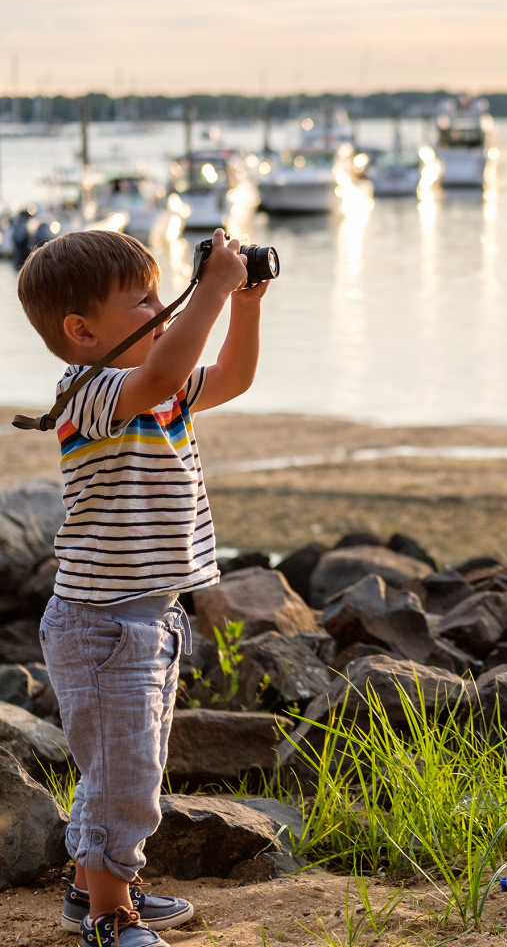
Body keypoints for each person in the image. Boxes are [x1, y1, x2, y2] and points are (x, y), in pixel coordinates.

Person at [16, 228, 268, 947]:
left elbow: (233, 376)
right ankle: (109, 917)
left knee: (129, 771)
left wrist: (244, 302)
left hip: (151, 619)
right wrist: (211, 289)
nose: (166, 307)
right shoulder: (89, 393)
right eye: (146, 300)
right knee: (121, 780)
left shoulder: (159, 394)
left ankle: (87, 891)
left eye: (164, 294)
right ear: (82, 332)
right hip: (100, 626)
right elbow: (159, 375)